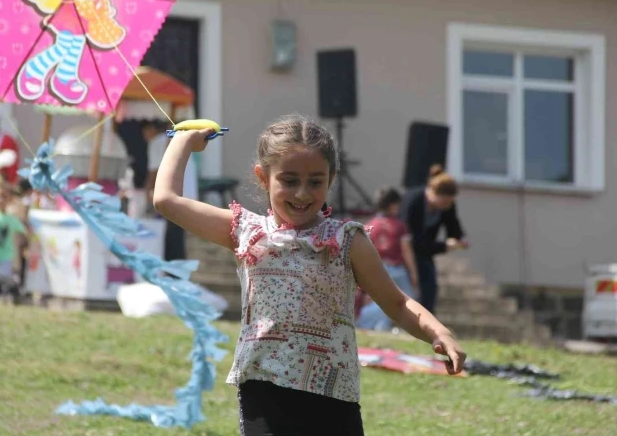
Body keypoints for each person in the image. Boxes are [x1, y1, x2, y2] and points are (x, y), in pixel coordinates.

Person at [153, 114, 466, 435]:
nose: (302, 193)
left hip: (332, 397)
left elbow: (397, 304)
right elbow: (166, 200)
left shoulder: (347, 240)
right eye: (289, 180)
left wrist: (438, 333)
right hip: (264, 389)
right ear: (263, 177)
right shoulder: (246, 230)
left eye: (315, 181)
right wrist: (184, 141)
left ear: (331, 179)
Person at [400, 164, 469, 315]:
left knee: (429, 288)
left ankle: (426, 324)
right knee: (408, 288)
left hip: (425, 251)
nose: (446, 206)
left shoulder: (447, 206)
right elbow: (412, 240)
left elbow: (453, 225)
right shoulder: (413, 201)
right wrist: (444, 246)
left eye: (449, 203)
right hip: (403, 251)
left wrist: (460, 239)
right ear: (432, 192)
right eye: (444, 202)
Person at [356, 187, 419, 331]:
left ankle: (379, 327)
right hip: (396, 270)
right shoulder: (399, 226)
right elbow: (406, 250)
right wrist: (414, 273)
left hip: (376, 269)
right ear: (393, 205)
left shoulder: (370, 225)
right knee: (408, 303)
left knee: (381, 301)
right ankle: (409, 330)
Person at [142, 119, 198, 261]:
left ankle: (172, 268)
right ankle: (177, 267)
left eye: (145, 133)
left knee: (170, 236)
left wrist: (148, 190)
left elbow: (154, 171)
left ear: (151, 129)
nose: (144, 137)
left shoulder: (158, 142)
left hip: (173, 194)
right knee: (178, 234)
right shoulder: (178, 139)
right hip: (188, 194)